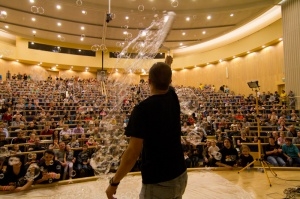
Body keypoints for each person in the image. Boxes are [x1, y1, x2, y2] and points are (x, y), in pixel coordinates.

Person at [106, 61, 187, 199]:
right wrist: (167, 65)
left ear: (148, 81)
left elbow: (132, 153)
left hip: (158, 181)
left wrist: (114, 182)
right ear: (170, 81)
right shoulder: (173, 97)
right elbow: (167, 83)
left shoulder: (141, 110)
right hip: (181, 175)